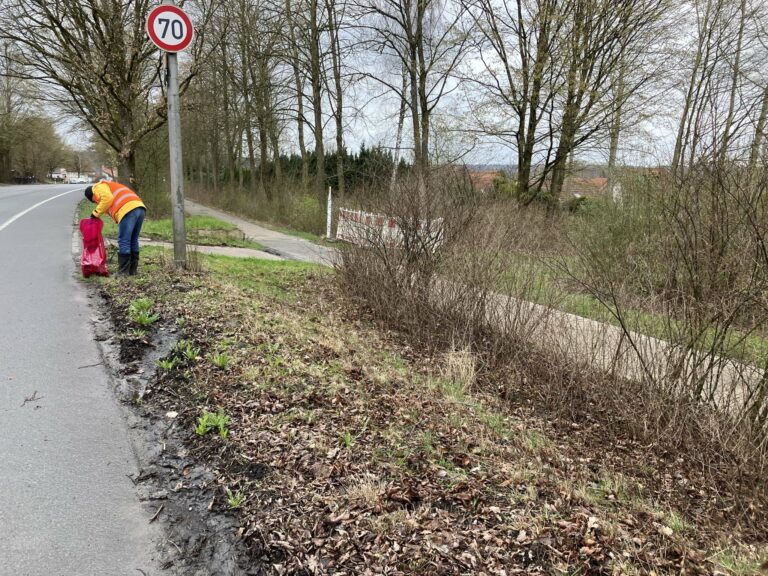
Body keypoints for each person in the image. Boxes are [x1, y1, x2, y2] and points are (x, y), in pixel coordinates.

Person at [84, 179, 146, 276]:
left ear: (92, 194)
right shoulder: (110, 186)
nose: (96, 202)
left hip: (127, 209)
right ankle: (132, 271)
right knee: (133, 240)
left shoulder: (98, 187)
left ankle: (123, 273)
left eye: (94, 200)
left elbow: (107, 198)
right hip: (140, 208)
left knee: (124, 241)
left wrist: (95, 214)